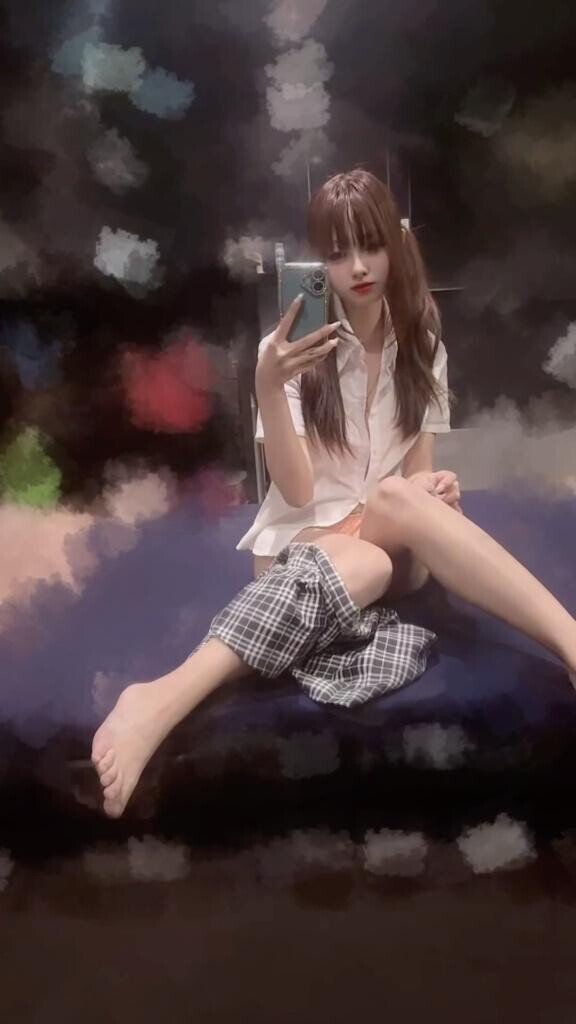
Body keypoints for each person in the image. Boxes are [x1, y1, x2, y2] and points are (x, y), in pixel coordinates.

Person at [92, 169, 576, 818]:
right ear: (319, 261)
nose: (358, 268)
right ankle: (160, 699)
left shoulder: (423, 344)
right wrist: (269, 387)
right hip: (306, 539)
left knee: (396, 508)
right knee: (368, 560)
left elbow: (414, 476)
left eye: (371, 245)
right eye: (339, 253)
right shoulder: (290, 350)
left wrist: (433, 491)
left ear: (395, 244)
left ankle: (569, 641)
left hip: (386, 532)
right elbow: (294, 491)